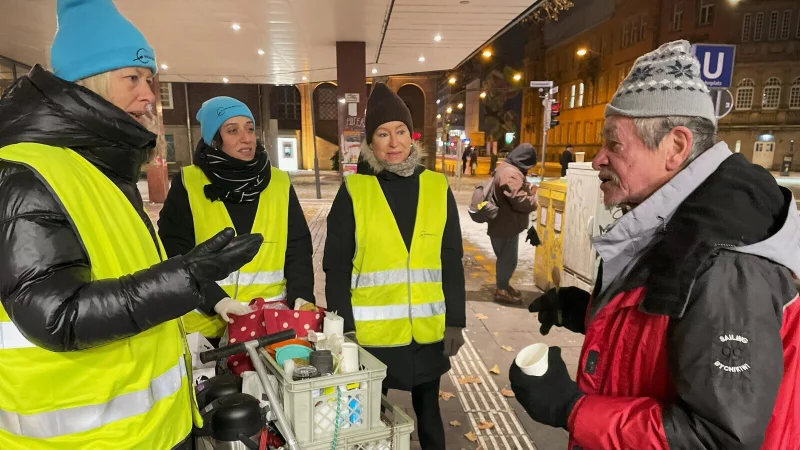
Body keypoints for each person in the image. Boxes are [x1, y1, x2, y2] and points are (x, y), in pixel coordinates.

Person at [512, 40, 799, 449]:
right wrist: (591, 312)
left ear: (676, 147)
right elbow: (673, 334)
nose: (597, 160)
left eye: (614, 143)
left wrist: (571, 410)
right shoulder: (682, 222)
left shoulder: (727, 264)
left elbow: (717, 437)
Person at [0, 1, 262, 449]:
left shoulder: (100, 168)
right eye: (133, 78)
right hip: (88, 439)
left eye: (150, 80)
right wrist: (188, 276)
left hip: (152, 429)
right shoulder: (27, 174)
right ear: (90, 83)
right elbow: (57, 314)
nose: (148, 95)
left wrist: (194, 282)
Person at [324, 83, 466, 450]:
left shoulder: (436, 186)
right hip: (372, 336)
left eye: (400, 131)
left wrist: (456, 320)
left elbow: (450, 257)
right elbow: (336, 266)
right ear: (370, 143)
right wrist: (344, 329)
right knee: (370, 418)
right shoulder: (355, 190)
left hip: (426, 332)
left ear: (411, 135)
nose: (394, 142)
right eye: (383, 134)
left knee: (429, 413)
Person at [158, 96, 314, 343]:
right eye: (232, 130)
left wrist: (302, 296)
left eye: (250, 128)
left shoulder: (279, 182)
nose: (246, 137)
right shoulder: (190, 183)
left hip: (270, 327)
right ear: (214, 140)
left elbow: (298, 248)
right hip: (206, 329)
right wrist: (217, 300)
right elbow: (175, 251)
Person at [487, 143, 538, 305]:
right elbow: (518, 199)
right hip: (506, 223)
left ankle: (504, 286)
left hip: (503, 222)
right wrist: (532, 199)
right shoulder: (510, 173)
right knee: (508, 259)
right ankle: (501, 290)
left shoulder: (507, 168)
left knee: (505, 257)